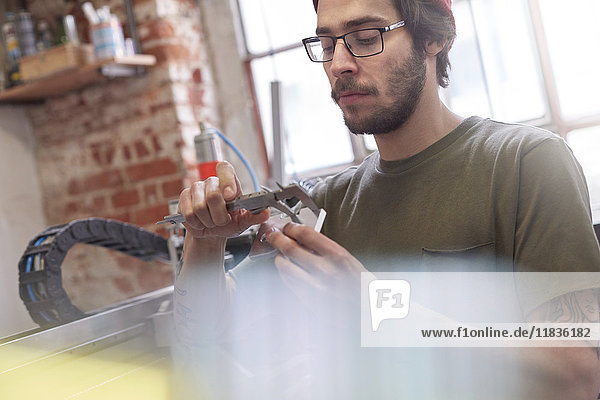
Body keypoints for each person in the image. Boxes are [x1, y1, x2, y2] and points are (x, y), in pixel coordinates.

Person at [173, 0, 600, 398]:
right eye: (326, 45)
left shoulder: (524, 163)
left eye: (365, 38)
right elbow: (204, 345)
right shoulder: (324, 204)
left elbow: (578, 378)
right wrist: (204, 244)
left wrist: (379, 310)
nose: (338, 64)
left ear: (434, 38)